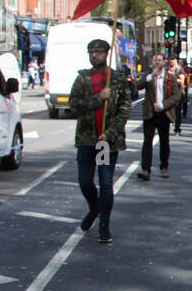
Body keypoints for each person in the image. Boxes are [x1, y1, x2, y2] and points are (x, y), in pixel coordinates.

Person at [71, 38, 132, 243]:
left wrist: (110, 133)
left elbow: (124, 110)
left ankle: (104, 225)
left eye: (98, 51)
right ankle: (94, 208)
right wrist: (98, 98)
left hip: (105, 142)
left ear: (107, 53)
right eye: (91, 52)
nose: (94, 55)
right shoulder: (82, 79)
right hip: (88, 139)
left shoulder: (117, 79)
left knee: (105, 183)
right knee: (85, 181)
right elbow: (74, 104)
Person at [137, 52, 180, 180]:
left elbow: (176, 95)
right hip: (150, 113)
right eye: (155, 60)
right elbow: (137, 85)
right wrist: (151, 76)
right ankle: (146, 169)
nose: (157, 62)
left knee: (164, 142)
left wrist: (162, 105)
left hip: (163, 113)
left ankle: (164, 167)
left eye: (159, 60)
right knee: (147, 142)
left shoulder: (170, 77)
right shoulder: (148, 75)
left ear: (164, 62)